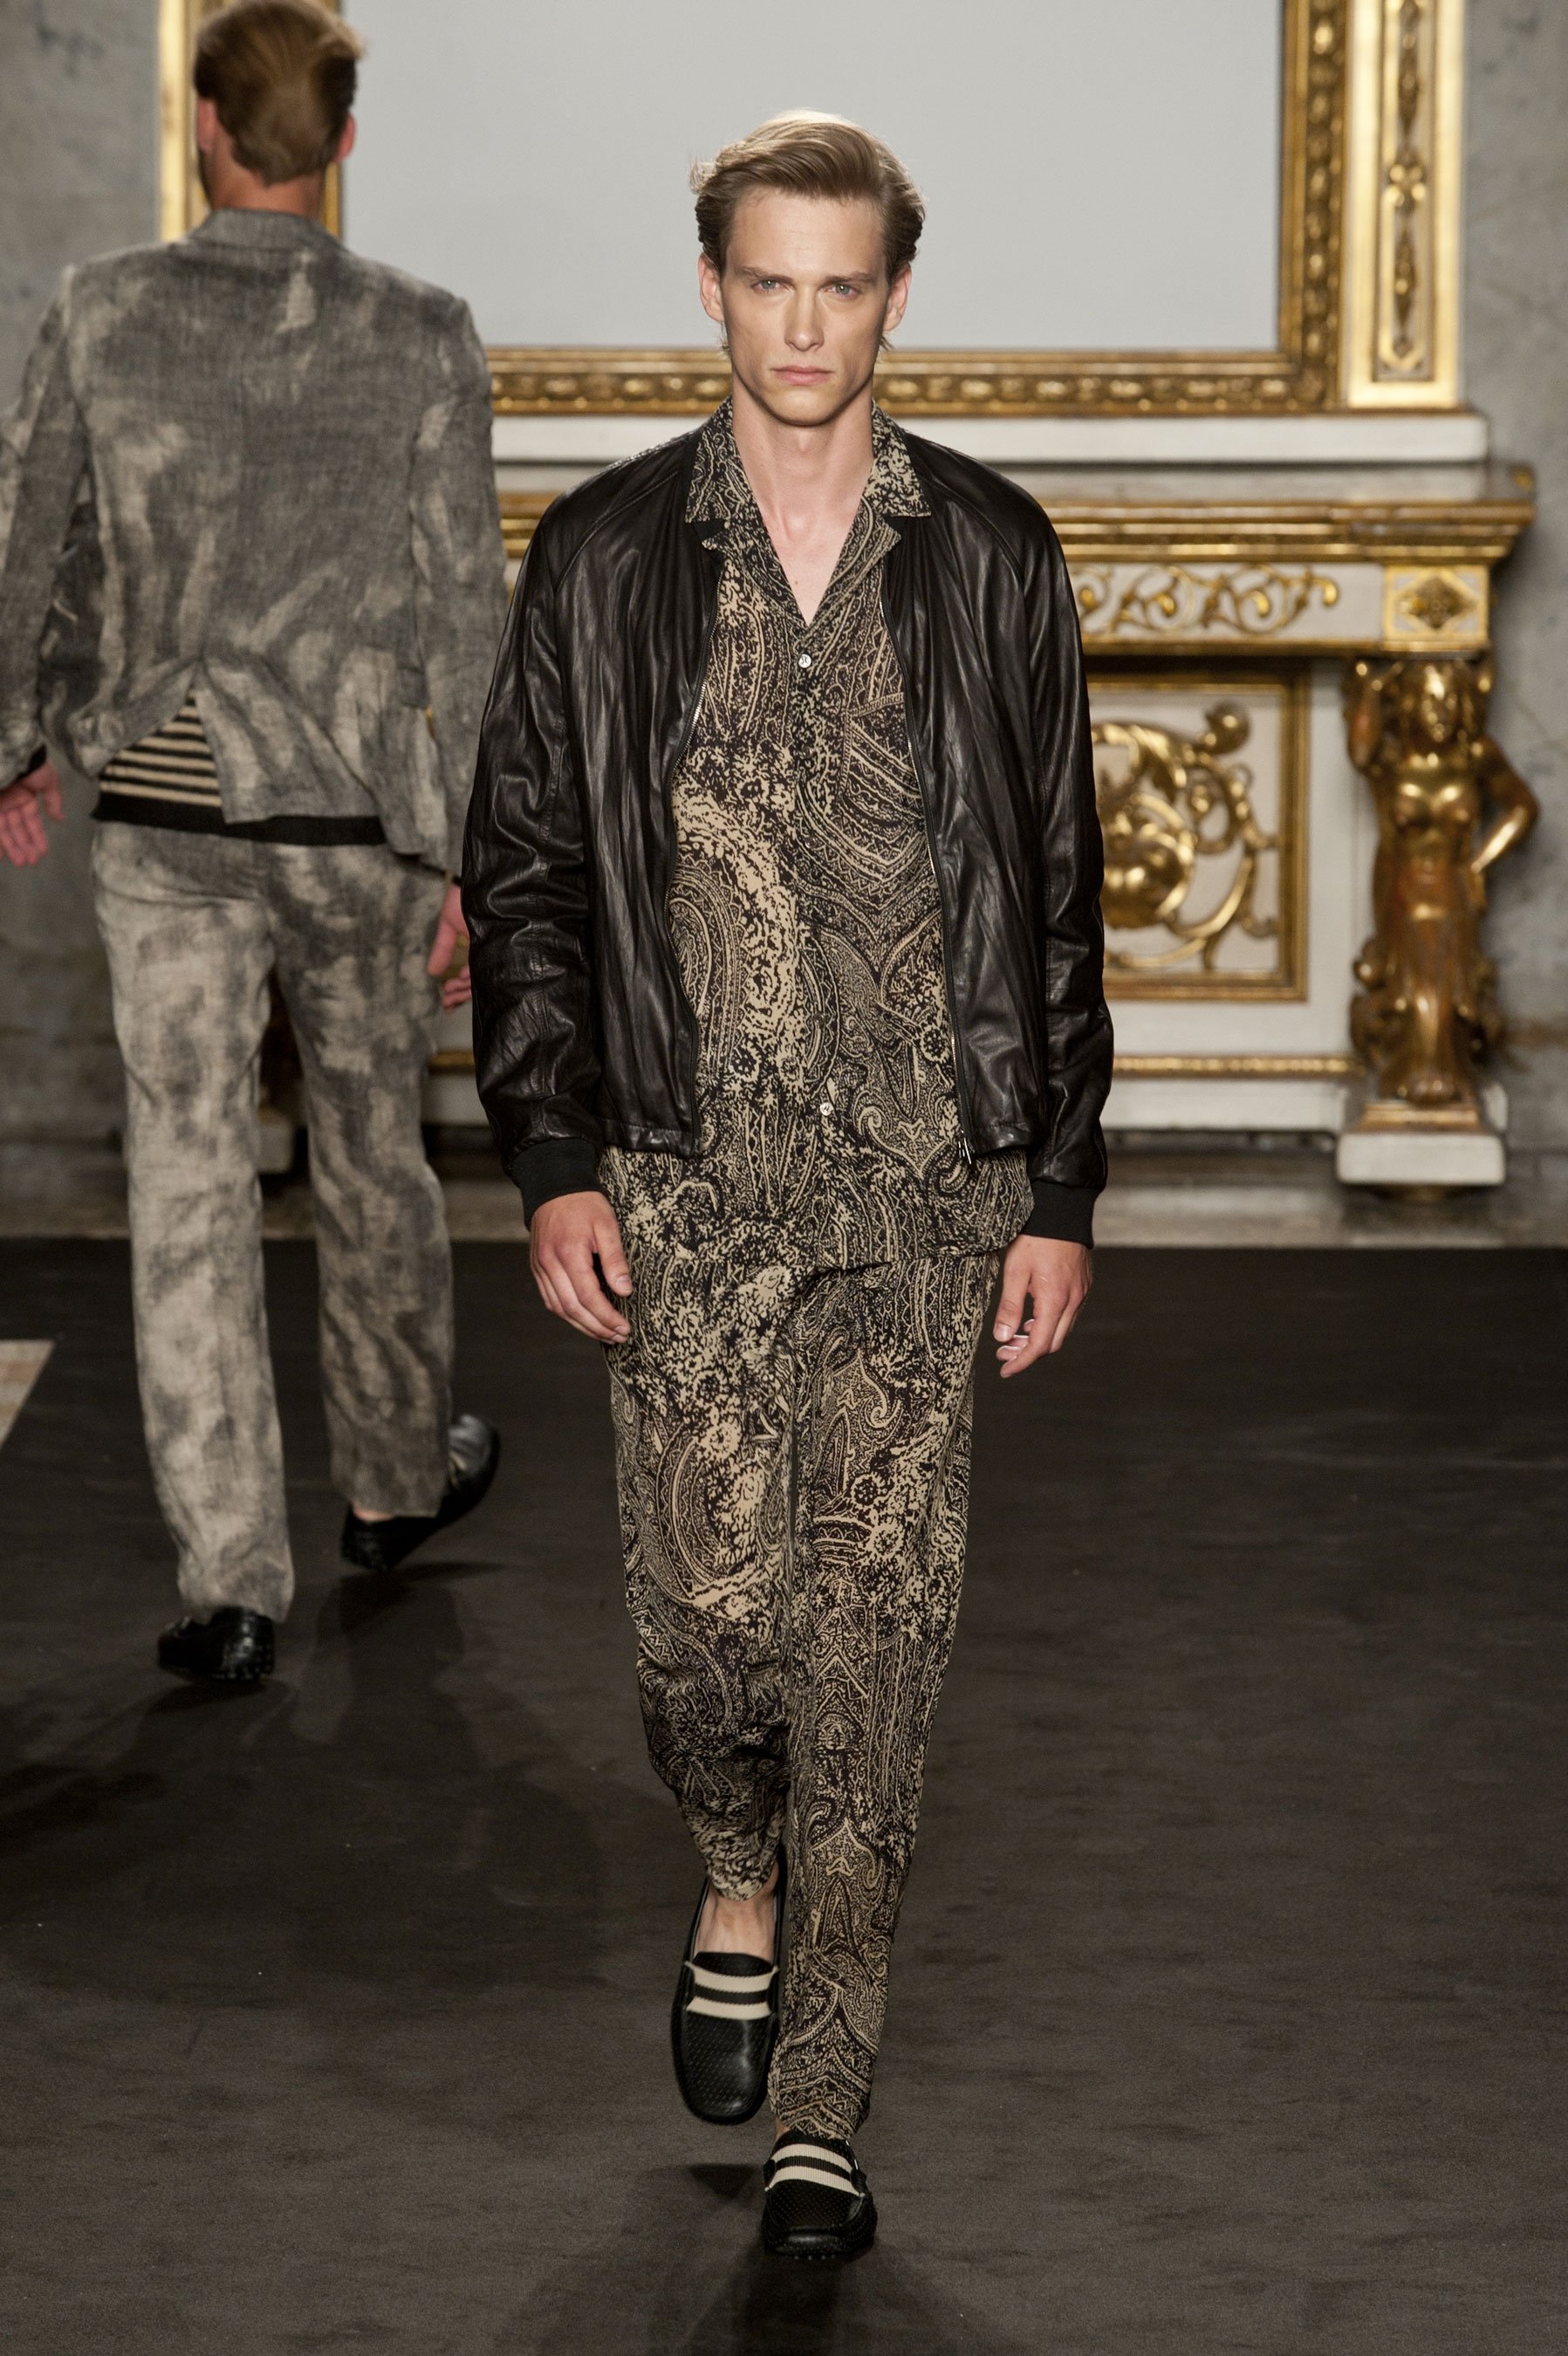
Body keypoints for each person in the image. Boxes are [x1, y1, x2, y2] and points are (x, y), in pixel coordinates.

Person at [463, 113, 1110, 2257]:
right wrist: (549, 1149)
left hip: (926, 1188)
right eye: (768, 282)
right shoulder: (605, 554)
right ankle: (728, 1868)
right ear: (712, 290)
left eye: (842, 285)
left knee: (874, 1649)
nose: (805, 325)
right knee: (708, 1644)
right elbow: (526, 868)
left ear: (893, 297)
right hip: (684, 1179)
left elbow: (1055, 887)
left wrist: (1056, 1186)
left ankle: (823, 2105)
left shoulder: (989, 554)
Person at [0, 0, 508, 1686]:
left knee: (186, 1180)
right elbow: (464, 613)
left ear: (205, 127)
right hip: (360, 818)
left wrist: (15, 747)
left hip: (164, 806)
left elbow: (26, 548)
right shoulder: (423, 332)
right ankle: (390, 1482)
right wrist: (475, 854)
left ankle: (229, 1583)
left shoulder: (102, 310)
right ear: (342, 143)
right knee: (373, 1151)